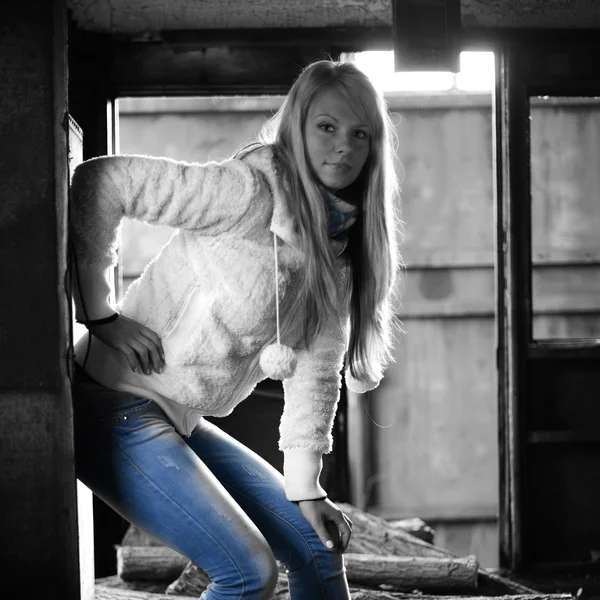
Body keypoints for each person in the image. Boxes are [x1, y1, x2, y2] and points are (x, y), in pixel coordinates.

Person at [70, 59, 401, 600]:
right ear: (297, 125)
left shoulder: (335, 249)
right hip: (112, 400)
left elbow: (317, 372)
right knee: (248, 574)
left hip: (178, 414)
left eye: (359, 134)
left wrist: (305, 486)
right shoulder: (247, 193)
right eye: (327, 126)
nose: (343, 146)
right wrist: (99, 311)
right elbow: (103, 181)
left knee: (318, 552)